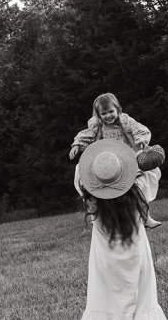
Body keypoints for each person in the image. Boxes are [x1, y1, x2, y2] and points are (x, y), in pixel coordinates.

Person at [75, 139, 168, 320]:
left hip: (106, 263)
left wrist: (96, 161)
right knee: (142, 303)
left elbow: (80, 173)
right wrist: (135, 162)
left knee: (115, 306)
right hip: (137, 259)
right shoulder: (138, 192)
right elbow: (154, 170)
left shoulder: (92, 201)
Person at [69, 92, 162, 228]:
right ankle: (97, 219)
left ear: (118, 109)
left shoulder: (125, 120)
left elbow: (139, 129)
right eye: (104, 113)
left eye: (111, 111)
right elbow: (87, 134)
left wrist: (141, 141)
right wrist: (77, 145)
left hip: (125, 159)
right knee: (91, 185)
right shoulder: (96, 125)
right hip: (106, 162)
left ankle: (145, 217)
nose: (108, 116)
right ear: (98, 115)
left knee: (137, 187)